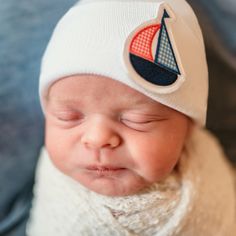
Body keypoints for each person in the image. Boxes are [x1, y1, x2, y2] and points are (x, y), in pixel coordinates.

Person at [26, 0, 236, 235]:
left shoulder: (209, 174)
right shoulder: (57, 193)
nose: (97, 139)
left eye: (137, 120)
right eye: (69, 117)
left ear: (188, 126)